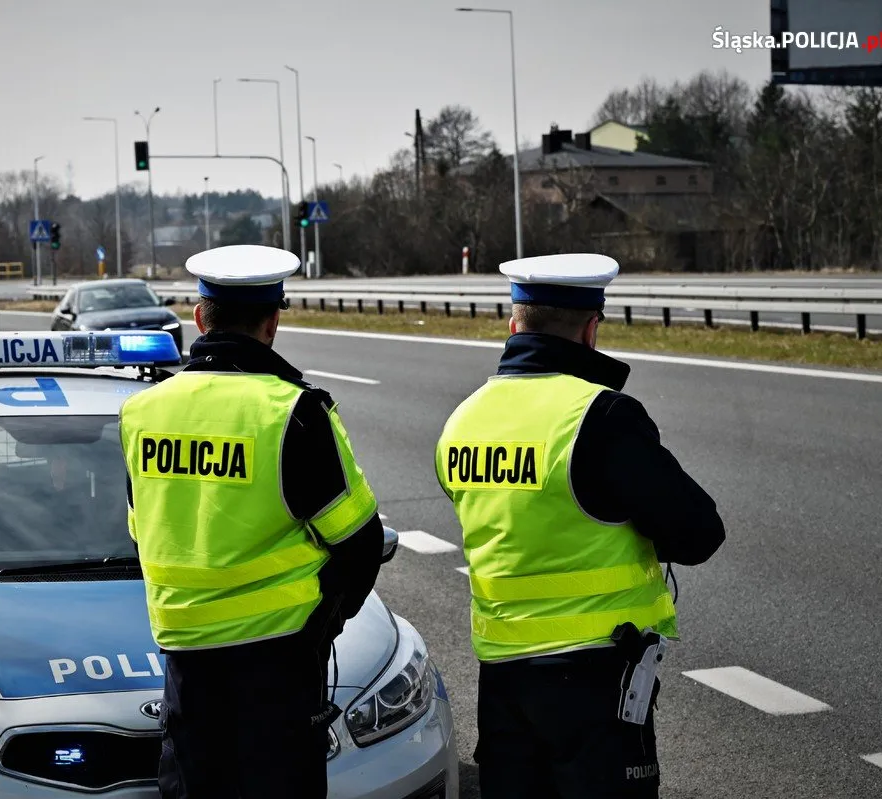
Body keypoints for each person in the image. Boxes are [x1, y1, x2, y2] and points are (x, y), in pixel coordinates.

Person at [435, 253, 725, 798]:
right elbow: (699, 533)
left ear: (513, 323)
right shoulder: (602, 416)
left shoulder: (464, 418)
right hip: (595, 678)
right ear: (591, 330)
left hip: (501, 675)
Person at [119, 244, 385, 799]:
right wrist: (324, 626)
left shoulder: (141, 411)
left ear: (199, 317)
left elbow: (142, 527)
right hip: (279, 665)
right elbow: (361, 544)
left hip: (185, 666)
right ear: (272, 323)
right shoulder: (293, 412)